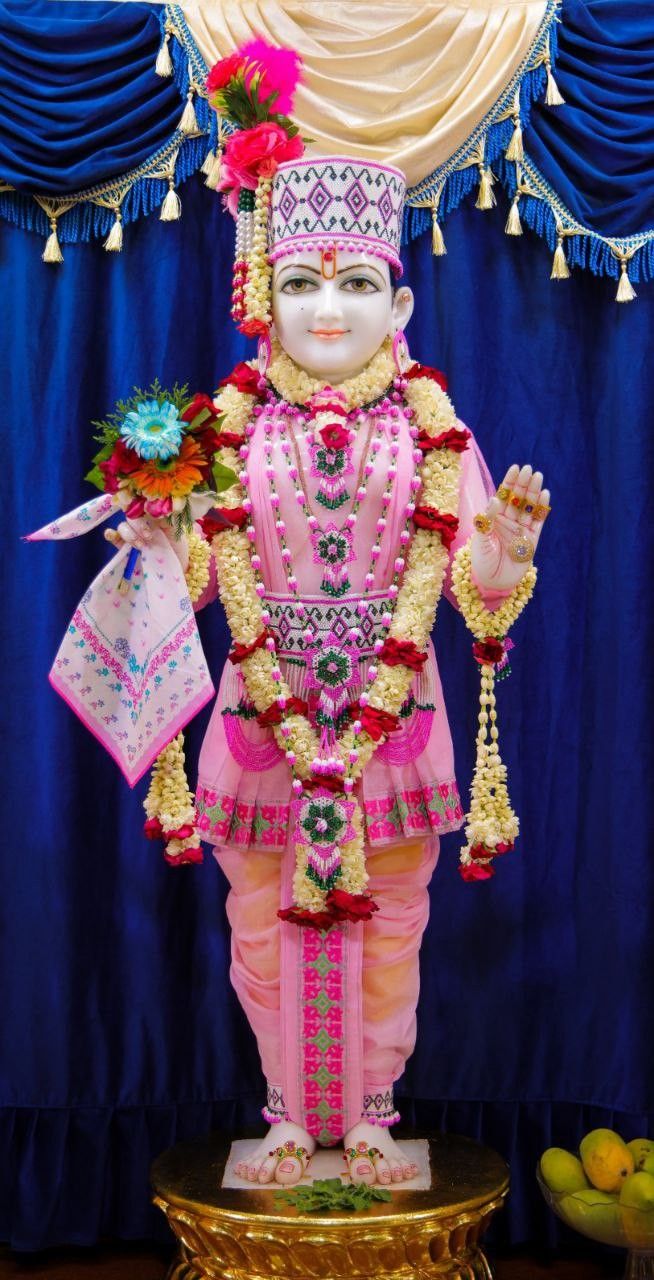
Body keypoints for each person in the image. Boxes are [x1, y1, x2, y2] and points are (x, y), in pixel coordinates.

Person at [113, 146, 549, 1188]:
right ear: (266, 296)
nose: (325, 310)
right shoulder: (225, 431)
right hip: (262, 724)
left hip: (394, 727)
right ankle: (284, 1119)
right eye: (302, 282)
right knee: (260, 926)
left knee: (394, 925)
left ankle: (370, 1114)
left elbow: (475, 591)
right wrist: (155, 532)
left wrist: (510, 549)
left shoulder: (434, 433)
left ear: (398, 303)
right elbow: (190, 586)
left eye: (354, 284)